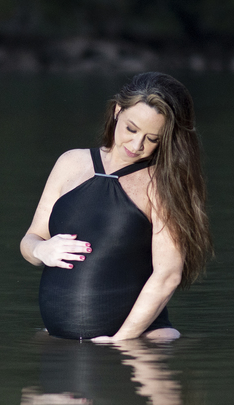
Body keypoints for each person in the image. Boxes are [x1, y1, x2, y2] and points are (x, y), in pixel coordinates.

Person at [20, 72, 212, 341]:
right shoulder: (71, 163)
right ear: (117, 111)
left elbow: (168, 275)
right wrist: (41, 249)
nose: (137, 145)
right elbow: (31, 239)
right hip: (60, 350)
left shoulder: (162, 183)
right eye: (131, 129)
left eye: (152, 138)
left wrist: (120, 343)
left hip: (137, 349)